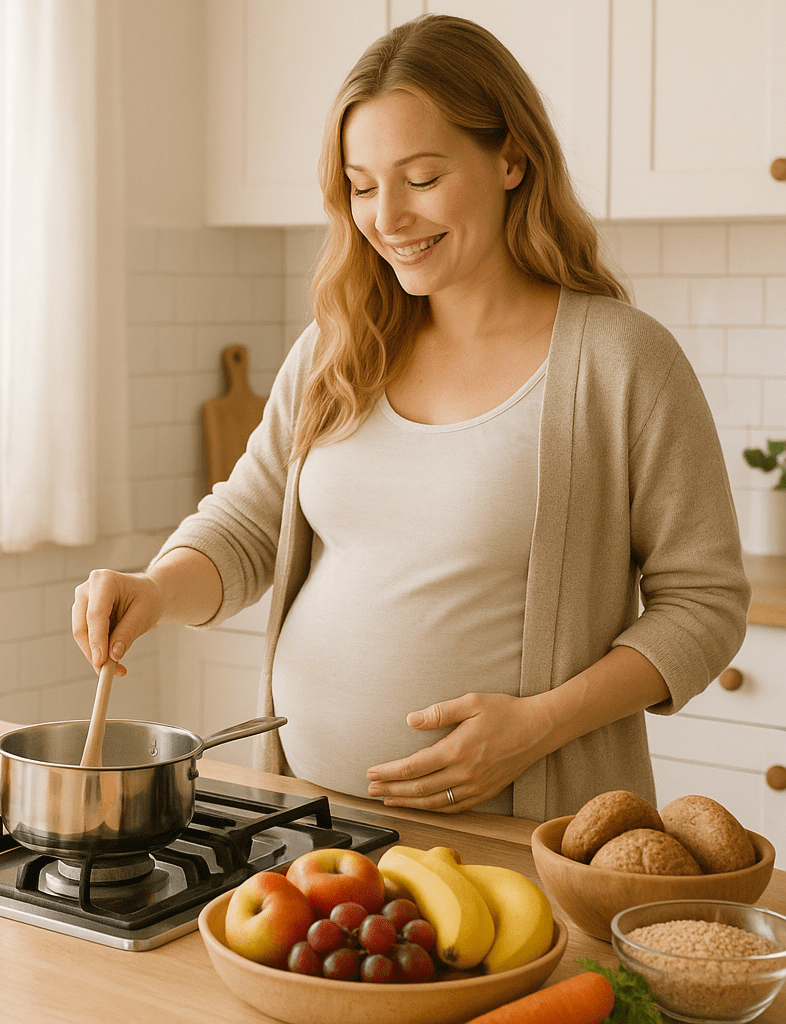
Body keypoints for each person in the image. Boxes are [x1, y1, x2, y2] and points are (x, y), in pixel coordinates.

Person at [72, 14, 750, 821]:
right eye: (362, 186)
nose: (387, 216)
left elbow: (705, 605)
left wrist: (538, 726)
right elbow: (248, 527)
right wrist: (154, 588)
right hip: (312, 826)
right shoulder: (338, 345)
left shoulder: (620, 359)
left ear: (511, 159)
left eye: (422, 178)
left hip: (522, 833)